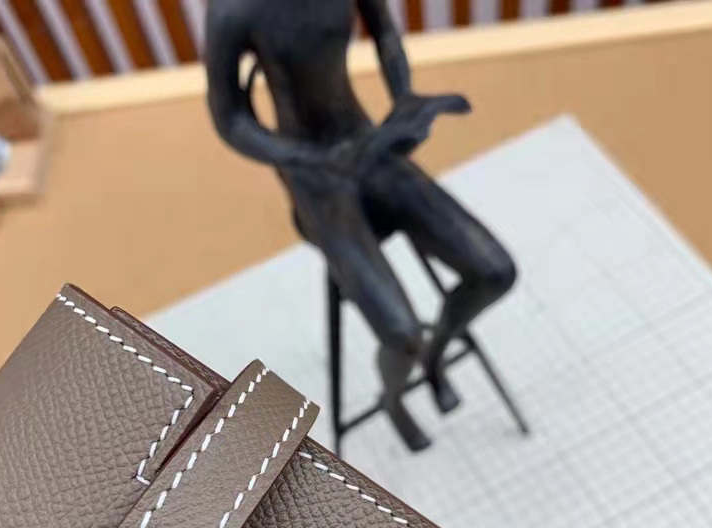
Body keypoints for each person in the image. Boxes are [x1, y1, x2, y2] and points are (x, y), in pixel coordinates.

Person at [205, 0, 517, 450]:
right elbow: (230, 118)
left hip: (366, 143)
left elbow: (386, 34)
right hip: (313, 174)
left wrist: (404, 101)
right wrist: (304, 158)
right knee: (402, 334)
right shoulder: (234, 11)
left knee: (495, 272)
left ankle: (435, 356)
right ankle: (392, 398)